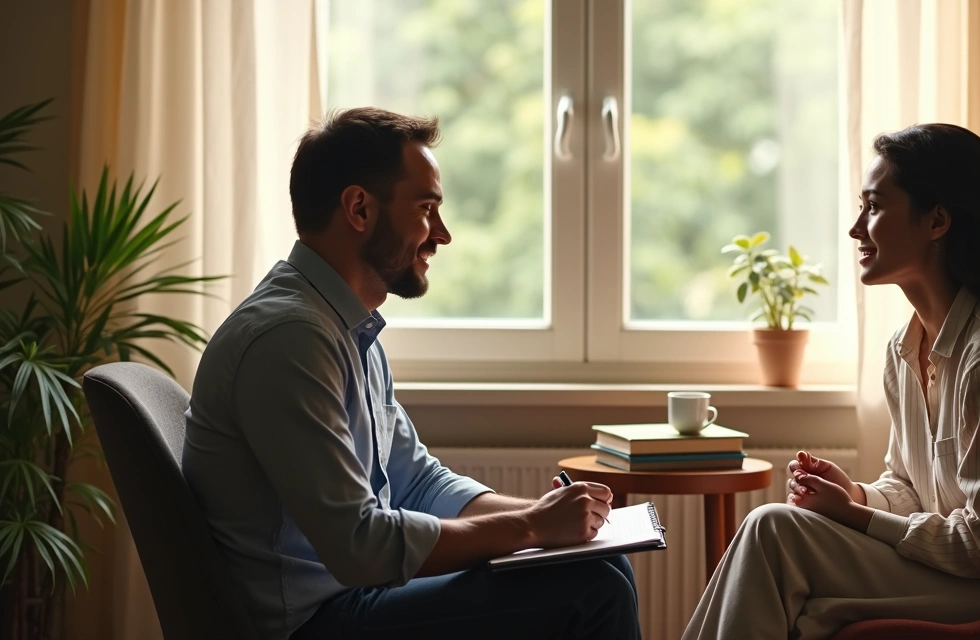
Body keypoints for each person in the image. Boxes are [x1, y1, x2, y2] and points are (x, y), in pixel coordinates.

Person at [182, 107, 641, 640]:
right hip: (310, 623)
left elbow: (417, 480)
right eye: (426, 209)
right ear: (359, 208)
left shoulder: (346, 329)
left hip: (351, 598)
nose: (441, 234)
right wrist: (533, 527)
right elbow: (360, 548)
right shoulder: (289, 340)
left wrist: (546, 516)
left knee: (598, 563)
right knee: (592, 587)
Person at [682, 123, 980, 640]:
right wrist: (860, 497)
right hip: (974, 571)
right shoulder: (904, 348)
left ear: (937, 221)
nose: (855, 229)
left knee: (773, 530)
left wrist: (855, 517)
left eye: (874, 207)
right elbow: (910, 487)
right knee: (774, 534)